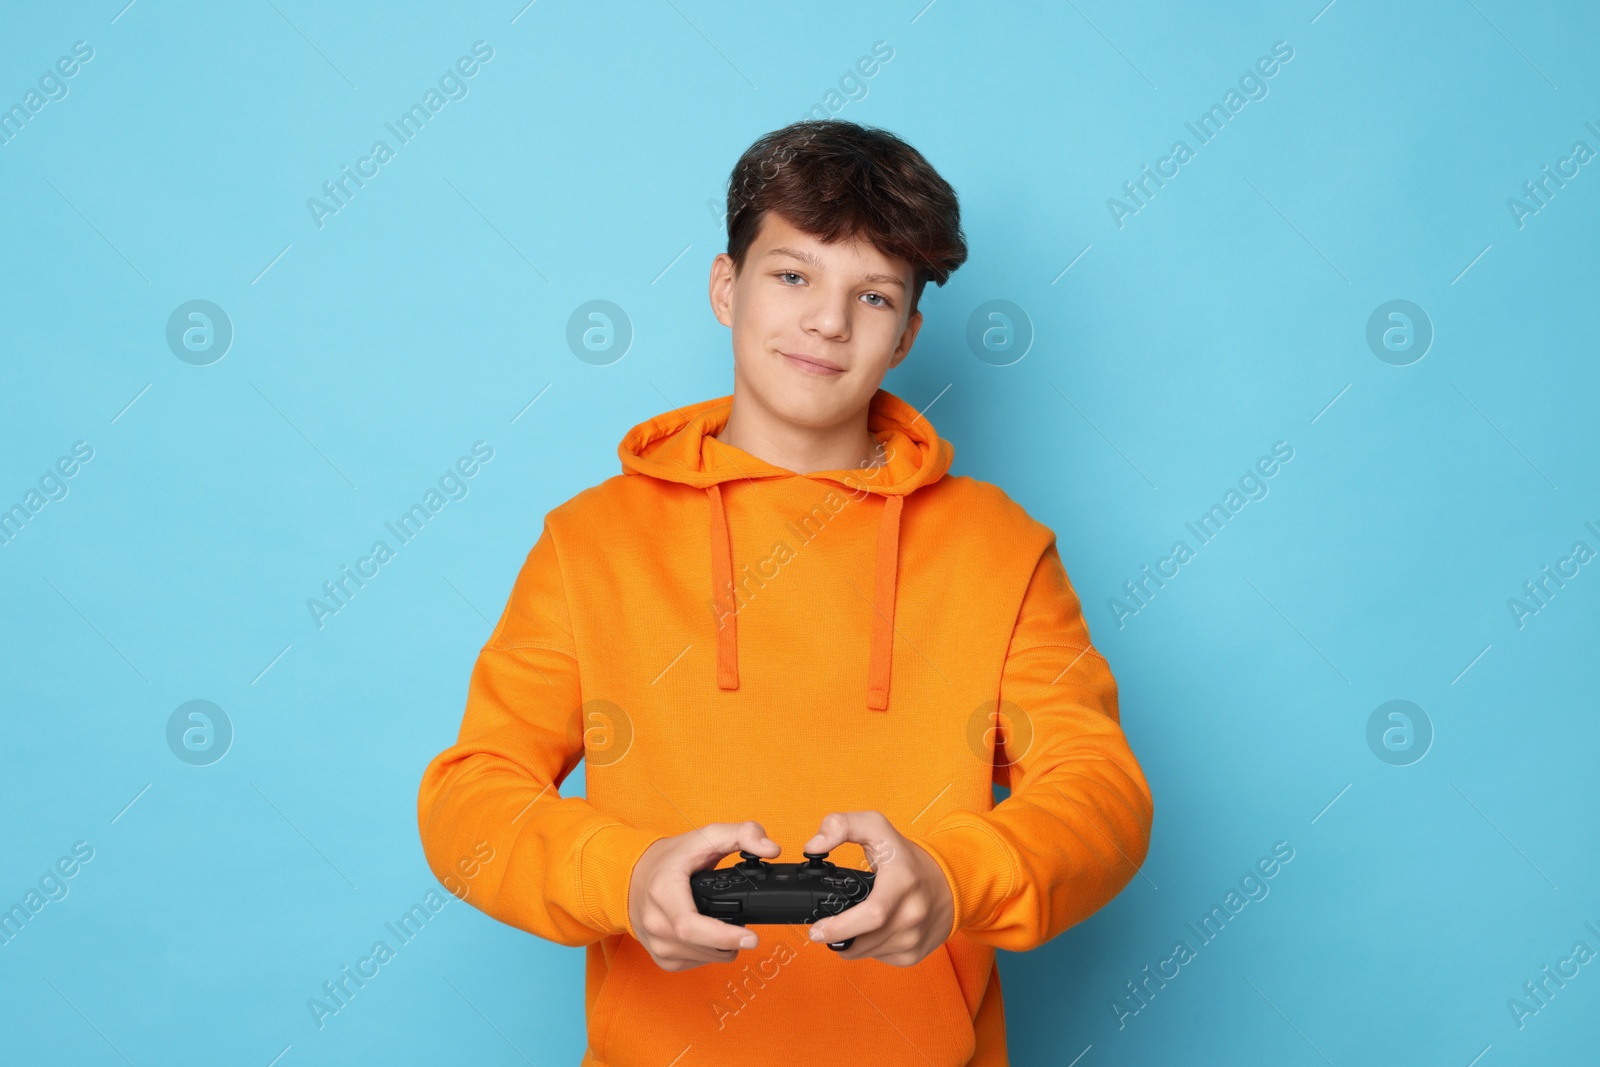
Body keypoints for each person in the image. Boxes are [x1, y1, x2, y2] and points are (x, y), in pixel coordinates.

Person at [417, 118, 1153, 1066]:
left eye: (874, 295)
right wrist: (624, 874)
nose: (828, 322)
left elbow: (1101, 794)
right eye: (794, 275)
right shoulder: (589, 541)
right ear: (727, 288)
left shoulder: (999, 546)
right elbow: (470, 797)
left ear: (906, 335)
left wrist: (955, 877)